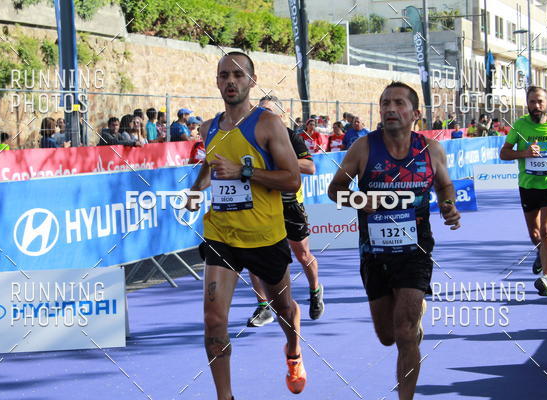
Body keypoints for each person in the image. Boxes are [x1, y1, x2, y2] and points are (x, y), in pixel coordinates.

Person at [328, 81, 461, 400]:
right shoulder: (363, 148)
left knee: (404, 333)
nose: (390, 108)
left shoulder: (431, 150)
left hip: (416, 251)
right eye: (385, 103)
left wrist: (448, 205)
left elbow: (444, 186)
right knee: (388, 335)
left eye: (399, 103)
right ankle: (414, 322)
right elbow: (335, 190)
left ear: (415, 114)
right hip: (373, 253)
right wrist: (359, 200)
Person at [186, 51, 307, 399]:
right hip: (222, 235)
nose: (231, 81)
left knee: (284, 310)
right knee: (213, 320)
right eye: (224, 75)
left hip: (265, 236)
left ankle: (293, 351)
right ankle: (225, 395)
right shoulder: (209, 128)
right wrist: (195, 190)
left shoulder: (267, 124)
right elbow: (210, 165)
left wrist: (244, 171)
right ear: (217, 81)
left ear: (252, 81)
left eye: (238, 75)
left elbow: (292, 179)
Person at [245, 95, 324, 327]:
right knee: (254, 256)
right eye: (259, 112)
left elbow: (310, 167)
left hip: (289, 204)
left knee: (302, 255)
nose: (262, 117)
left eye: (267, 112)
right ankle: (263, 306)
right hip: (261, 204)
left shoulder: (291, 136)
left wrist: (283, 159)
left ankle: (315, 290)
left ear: (280, 115)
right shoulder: (251, 137)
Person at [500, 86, 547, 296]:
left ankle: (545, 278)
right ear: (527, 104)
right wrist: (524, 153)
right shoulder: (520, 125)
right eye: (532, 102)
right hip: (528, 185)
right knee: (535, 233)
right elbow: (504, 153)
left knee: (546, 229)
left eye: (540, 101)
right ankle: (541, 251)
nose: (536, 106)